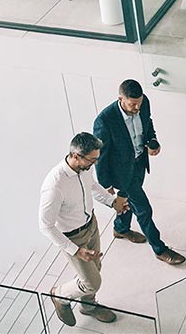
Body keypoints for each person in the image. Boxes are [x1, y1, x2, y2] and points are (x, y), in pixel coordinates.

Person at [39, 132, 129, 327]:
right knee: (92, 282)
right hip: (73, 238)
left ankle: (88, 307)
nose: (94, 164)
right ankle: (59, 295)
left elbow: (93, 187)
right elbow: (45, 226)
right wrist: (75, 250)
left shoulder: (84, 168)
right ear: (76, 156)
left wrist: (112, 202)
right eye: (92, 160)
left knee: (96, 268)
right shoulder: (54, 185)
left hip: (91, 226)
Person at [93, 79, 186, 266]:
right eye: (132, 104)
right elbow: (100, 156)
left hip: (139, 164)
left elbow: (148, 123)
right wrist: (106, 185)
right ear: (121, 99)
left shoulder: (144, 103)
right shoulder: (105, 120)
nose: (137, 107)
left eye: (140, 103)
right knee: (143, 209)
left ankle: (121, 229)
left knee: (128, 201)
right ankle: (160, 249)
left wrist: (153, 141)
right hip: (121, 173)